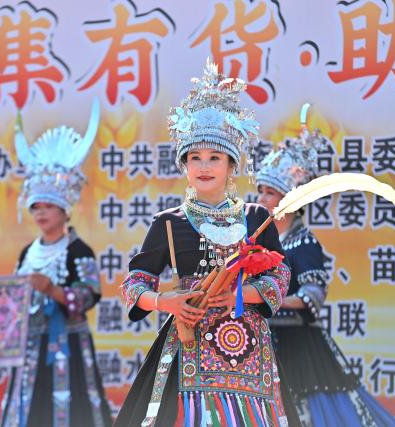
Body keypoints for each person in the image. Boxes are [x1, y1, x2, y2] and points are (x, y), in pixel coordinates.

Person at [114, 60, 291, 427]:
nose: (204, 166)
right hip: (189, 345)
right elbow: (135, 284)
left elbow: (280, 274)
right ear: (184, 165)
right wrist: (167, 301)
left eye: (214, 158)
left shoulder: (257, 217)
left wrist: (245, 295)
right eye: (195, 157)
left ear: (231, 165)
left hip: (249, 352)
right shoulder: (169, 222)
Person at [255, 125, 395, 426]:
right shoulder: (257, 244)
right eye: (260, 191)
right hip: (261, 342)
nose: (261, 199)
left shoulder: (304, 243)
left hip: (297, 346)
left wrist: (267, 297)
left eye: (270, 192)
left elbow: (313, 295)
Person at [0, 101, 113, 427]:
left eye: (49, 206)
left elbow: (90, 294)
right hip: (30, 347)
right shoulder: (27, 252)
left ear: (65, 210)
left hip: (67, 347)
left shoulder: (79, 250)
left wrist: (52, 290)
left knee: (70, 410)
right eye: (36, 206)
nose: (41, 213)